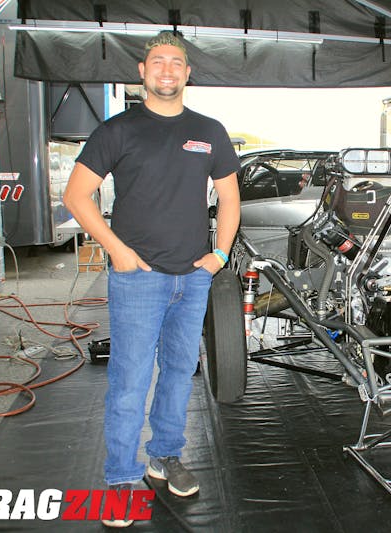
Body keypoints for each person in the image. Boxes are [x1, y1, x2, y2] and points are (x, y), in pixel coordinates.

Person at [63, 31, 240, 528]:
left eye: (176, 62)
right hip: (138, 280)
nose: (167, 69)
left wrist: (219, 255)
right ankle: (121, 477)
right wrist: (117, 251)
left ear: (187, 73)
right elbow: (76, 195)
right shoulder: (117, 130)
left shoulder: (209, 130)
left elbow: (230, 198)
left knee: (179, 373)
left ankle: (165, 456)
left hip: (193, 278)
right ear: (142, 72)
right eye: (157, 61)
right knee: (130, 380)